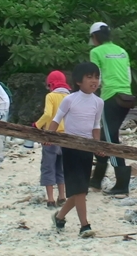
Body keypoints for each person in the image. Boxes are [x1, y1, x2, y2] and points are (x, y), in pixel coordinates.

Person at [49, 62, 104, 238]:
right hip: (70, 147)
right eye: (89, 77)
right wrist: (48, 137)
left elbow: (96, 126)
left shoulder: (99, 102)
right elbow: (57, 119)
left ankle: (59, 216)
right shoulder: (70, 99)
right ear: (79, 81)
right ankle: (84, 226)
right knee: (79, 189)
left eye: (96, 77)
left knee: (80, 189)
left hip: (87, 147)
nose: (94, 81)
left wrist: (98, 146)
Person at [88, 22, 135, 196]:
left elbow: (96, 78)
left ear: (94, 37)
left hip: (110, 97)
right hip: (126, 97)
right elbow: (128, 77)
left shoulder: (96, 52)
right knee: (106, 136)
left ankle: (122, 184)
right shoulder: (122, 51)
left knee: (109, 140)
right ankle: (96, 180)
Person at [33, 71, 71, 209]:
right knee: (61, 168)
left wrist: (37, 125)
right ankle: (62, 196)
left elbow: (48, 114)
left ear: (51, 84)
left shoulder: (50, 96)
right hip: (67, 137)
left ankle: (50, 199)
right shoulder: (69, 96)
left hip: (51, 136)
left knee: (48, 167)